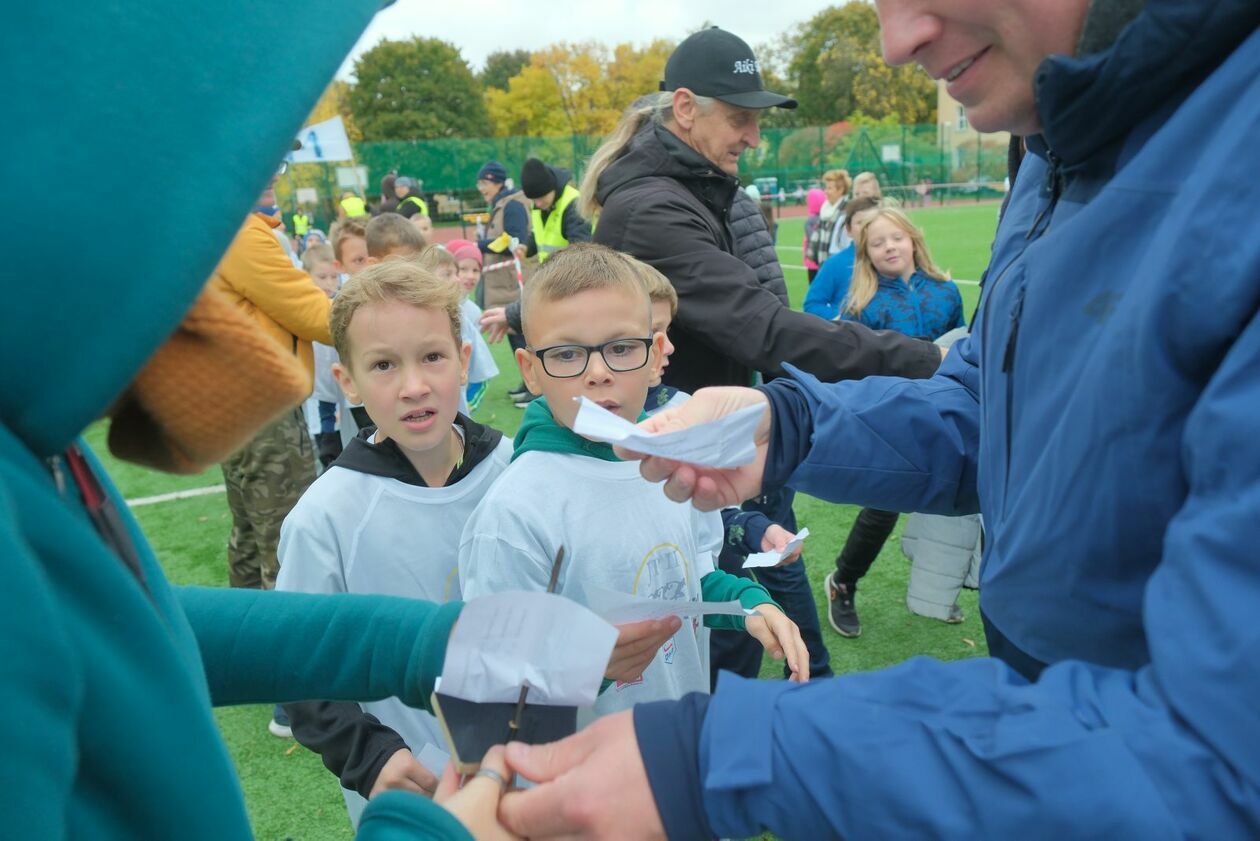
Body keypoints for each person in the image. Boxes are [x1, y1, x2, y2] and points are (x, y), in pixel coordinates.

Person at [496, 1, 1260, 838]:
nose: (898, 43)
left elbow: (1222, 751)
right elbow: (990, 410)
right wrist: (789, 428)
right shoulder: (1050, 139)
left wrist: (736, 755)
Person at [7, 1, 520, 837]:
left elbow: (144, 617)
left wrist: (434, 640)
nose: (214, 276)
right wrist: (438, 824)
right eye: (205, 212)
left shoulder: (37, 438)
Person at [459, 244, 808, 722]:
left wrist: (749, 602)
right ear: (530, 371)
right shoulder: (514, 513)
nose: (599, 373)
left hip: (680, 742)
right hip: (580, 781)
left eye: (621, 347)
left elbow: (687, 584)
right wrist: (592, 667)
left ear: (656, 354)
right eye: (566, 354)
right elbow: (493, 687)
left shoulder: (673, 466)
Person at [277, 261, 513, 826]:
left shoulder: (518, 472)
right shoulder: (325, 518)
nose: (414, 386)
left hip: (533, 769)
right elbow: (295, 668)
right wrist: (370, 755)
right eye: (383, 364)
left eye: (432, 356)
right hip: (417, 790)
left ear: (463, 359)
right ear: (348, 382)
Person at [585, 28, 941, 398]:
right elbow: (762, 329)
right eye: (740, 119)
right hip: (670, 437)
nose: (754, 138)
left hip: (698, 423)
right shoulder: (652, 210)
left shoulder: (702, 189)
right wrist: (924, 359)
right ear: (686, 108)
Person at [824, 208, 965, 637]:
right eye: (878, 242)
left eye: (896, 238)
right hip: (895, 415)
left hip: (947, 411)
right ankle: (843, 581)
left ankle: (939, 587)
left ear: (913, 240)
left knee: (958, 501)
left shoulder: (946, 290)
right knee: (885, 506)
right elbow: (850, 363)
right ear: (866, 254)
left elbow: (961, 346)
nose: (889, 247)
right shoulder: (863, 305)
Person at [474, 160, 533, 402]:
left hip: (512, 281)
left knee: (520, 331)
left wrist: (479, 244)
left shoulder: (512, 205)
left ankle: (534, 387)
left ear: (496, 182)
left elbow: (515, 240)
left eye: (484, 182)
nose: (481, 188)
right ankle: (527, 381)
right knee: (512, 333)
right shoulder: (500, 204)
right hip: (501, 281)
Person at [418, 245, 499, 415]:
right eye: (448, 274)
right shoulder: (411, 318)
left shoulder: (461, 316)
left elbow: (480, 368)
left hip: (456, 406)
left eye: (456, 273)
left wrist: (467, 404)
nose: (457, 280)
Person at [802, 196, 882, 320]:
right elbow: (812, 304)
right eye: (860, 223)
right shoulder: (835, 264)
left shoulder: (890, 259)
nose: (866, 227)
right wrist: (842, 318)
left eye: (872, 222)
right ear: (848, 229)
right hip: (852, 335)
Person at [804, 169, 851, 268]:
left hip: (840, 266)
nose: (826, 191)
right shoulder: (826, 208)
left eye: (830, 188)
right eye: (826, 187)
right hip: (823, 264)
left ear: (841, 189)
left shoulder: (847, 211)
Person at [800, 187, 826, 284]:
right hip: (824, 259)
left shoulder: (810, 221)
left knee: (814, 287)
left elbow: (811, 239)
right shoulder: (826, 217)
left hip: (812, 260)